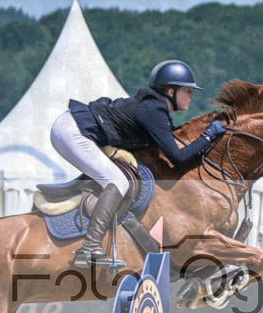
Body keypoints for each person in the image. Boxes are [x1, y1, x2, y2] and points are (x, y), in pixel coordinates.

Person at [50, 60, 227, 267]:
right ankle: (89, 247)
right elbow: (177, 157)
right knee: (118, 182)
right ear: (171, 91)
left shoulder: (157, 110)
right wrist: (207, 137)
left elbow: (172, 144)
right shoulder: (153, 109)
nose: (192, 96)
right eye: (187, 91)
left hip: (76, 129)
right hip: (73, 131)